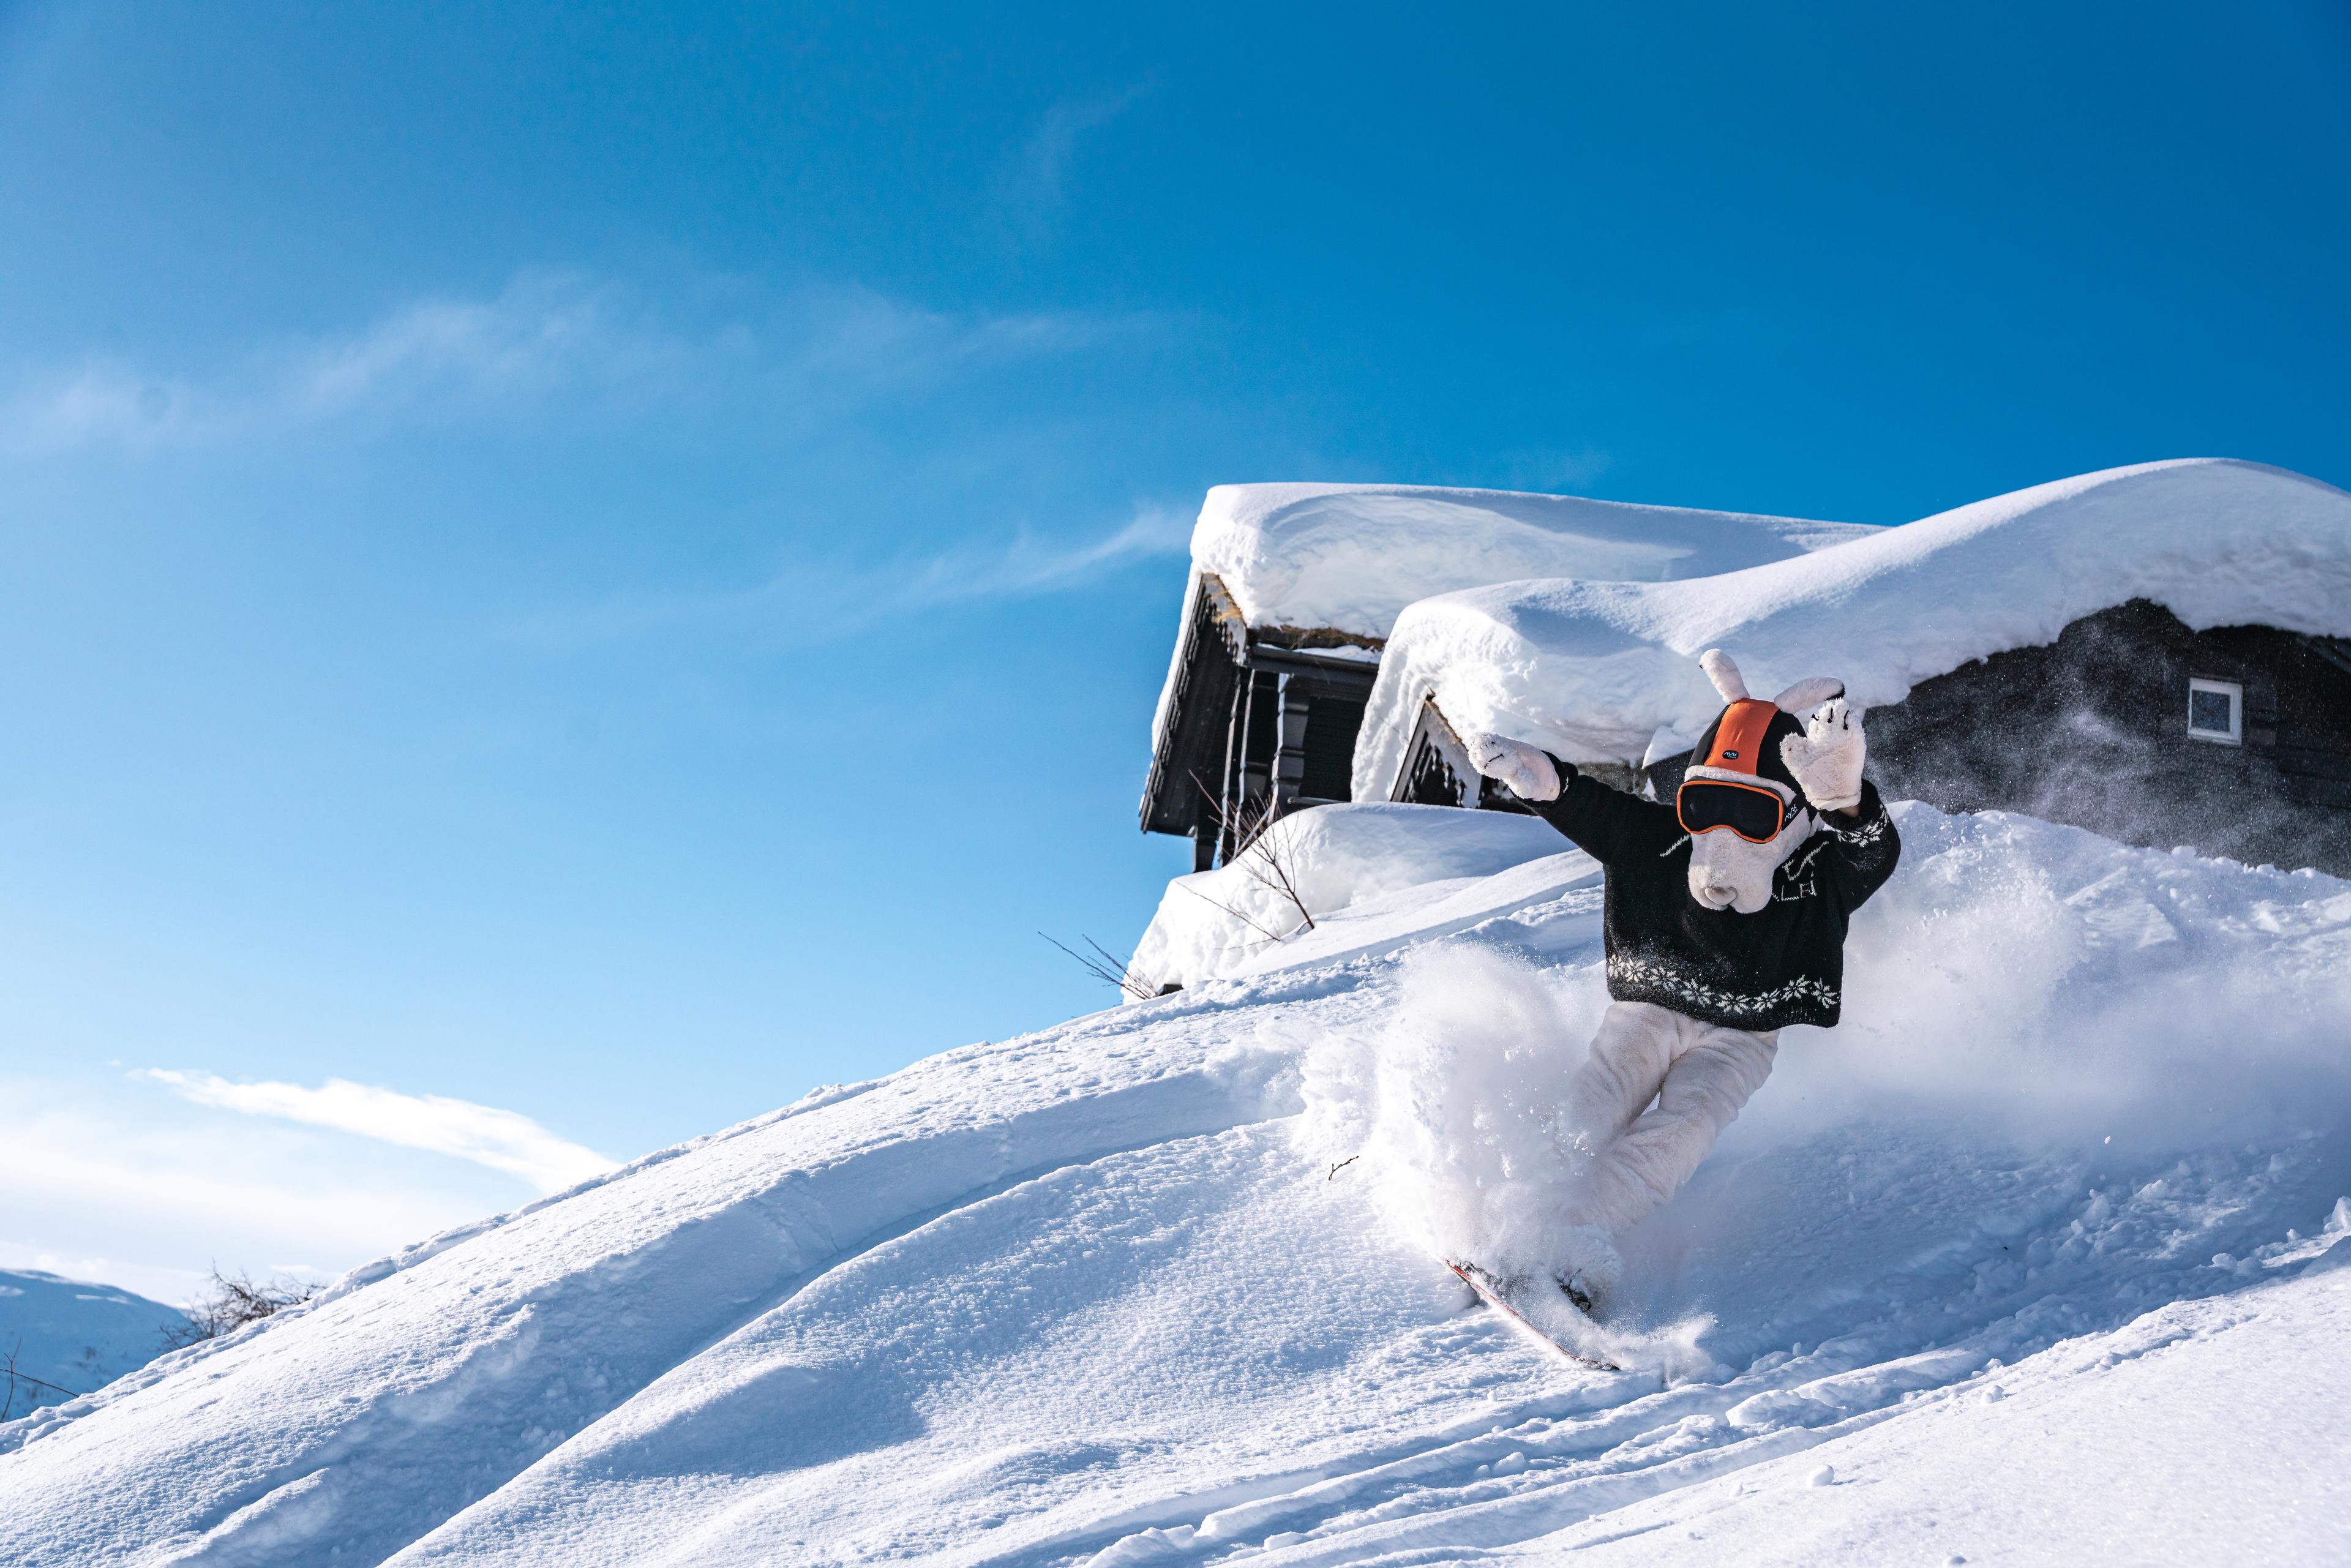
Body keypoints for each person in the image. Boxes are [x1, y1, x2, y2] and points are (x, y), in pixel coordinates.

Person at [1466, 648, 1902, 1314]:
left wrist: (1847, 805)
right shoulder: (1665, 839)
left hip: (1742, 1036)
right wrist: (1545, 781)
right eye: (1704, 804)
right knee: (1596, 1104)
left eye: (1752, 813)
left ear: (1793, 813)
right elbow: (1597, 811)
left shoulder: (1817, 870)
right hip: (1652, 1004)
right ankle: (1513, 1216)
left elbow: (1873, 855)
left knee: (1680, 1135)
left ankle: (1571, 1240)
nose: (1723, 831)